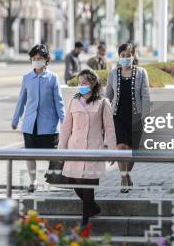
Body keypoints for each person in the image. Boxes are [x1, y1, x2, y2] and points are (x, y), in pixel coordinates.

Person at [59, 68, 116, 226]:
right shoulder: (73, 100)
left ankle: (84, 222)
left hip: (93, 149)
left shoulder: (103, 103)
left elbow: (110, 129)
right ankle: (93, 208)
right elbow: (65, 128)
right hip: (75, 148)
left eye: (84, 82)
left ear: (93, 83)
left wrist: (112, 151)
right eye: (79, 82)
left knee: (87, 186)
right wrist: (61, 149)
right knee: (72, 181)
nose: (81, 85)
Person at [12, 44, 65, 193]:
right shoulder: (27, 78)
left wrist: (65, 121)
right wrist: (15, 120)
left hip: (49, 124)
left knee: (52, 154)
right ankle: (33, 181)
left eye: (39, 58)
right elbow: (21, 100)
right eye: (34, 59)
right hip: (30, 124)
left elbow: (59, 102)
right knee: (30, 154)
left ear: (46, 60)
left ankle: (53, 177)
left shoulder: (53, 78)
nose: (36, 61)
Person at [106, 42, 150, 193]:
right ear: (119, 57)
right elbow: (108, 97)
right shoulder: (113, 74)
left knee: (132, 151)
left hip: (135, 115)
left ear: (133, 56)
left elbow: (145, 96)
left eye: (128, 55)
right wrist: (104, 116)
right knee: (121, 147)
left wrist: (145, 117)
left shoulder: (141, 73)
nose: (125, 58)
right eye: (122, 55)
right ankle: (123, 178)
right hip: (117, 115)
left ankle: (127, 174)